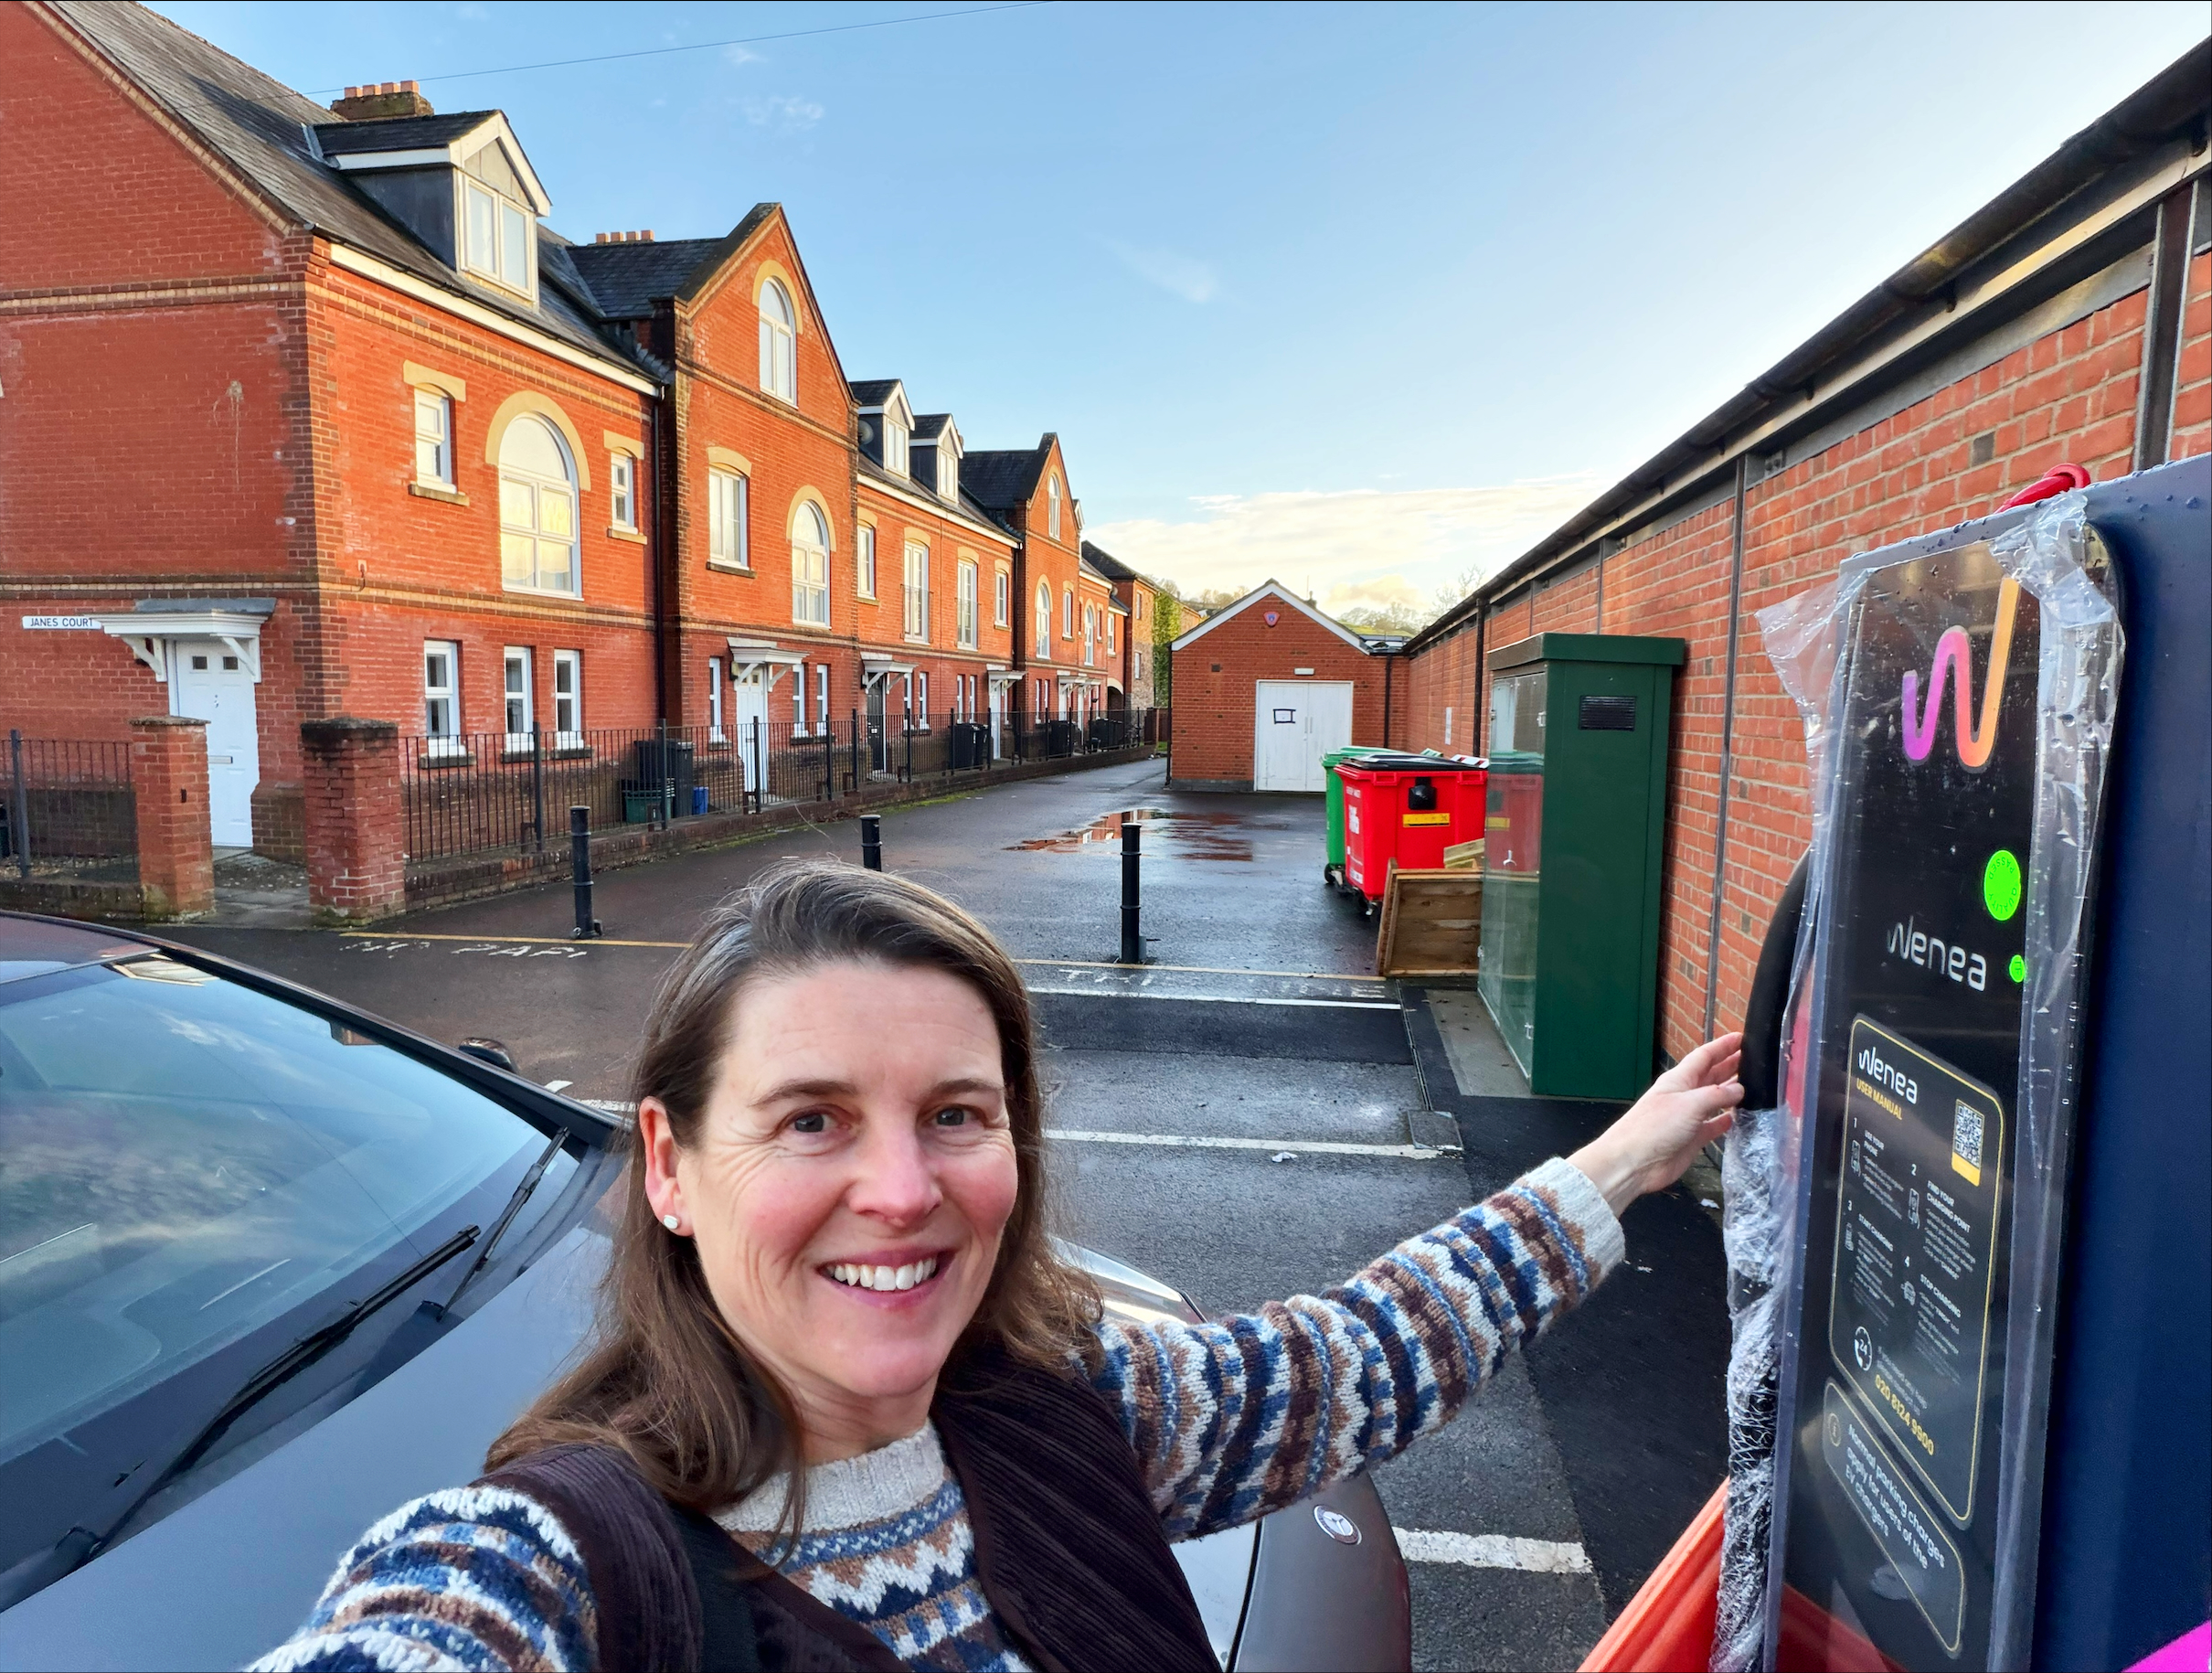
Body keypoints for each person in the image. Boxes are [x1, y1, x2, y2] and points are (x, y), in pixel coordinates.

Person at [253, 860, 1742, 1673]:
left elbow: (1350, 1358)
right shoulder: (559, 1569)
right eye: (811, 1118)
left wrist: (1616, 1162)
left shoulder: (1067, 1394)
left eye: (956, 1115)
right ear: (667, 1163)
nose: (901, 1192)